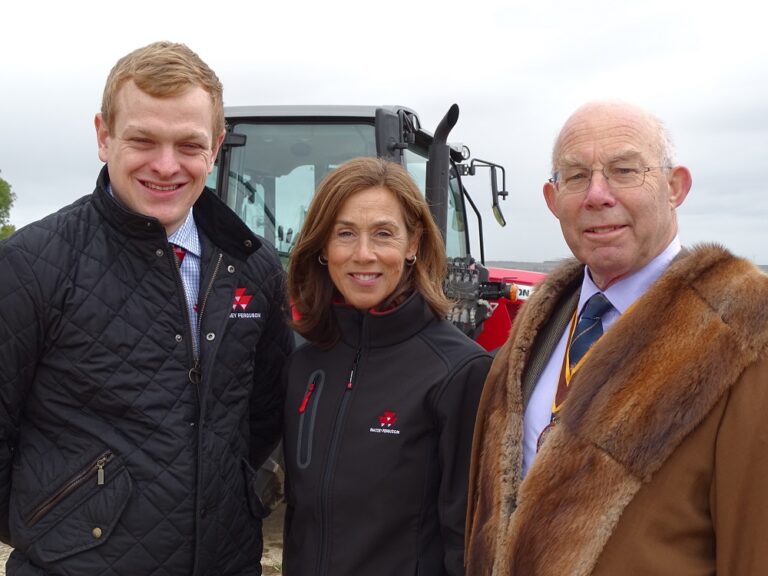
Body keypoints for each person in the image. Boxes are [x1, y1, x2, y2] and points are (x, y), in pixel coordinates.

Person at [0, 41, 293, 575]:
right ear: (103, 136)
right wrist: (56, 527)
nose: (165, 165)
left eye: (188, 144)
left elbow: (263, 417)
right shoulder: (29, 267)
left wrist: (236, 503)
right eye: (142, 140)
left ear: (217, 147)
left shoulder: (254, 268)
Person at [465, 101, 768, 575]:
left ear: (675, 187)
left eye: (625, 170)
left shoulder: (743, 339)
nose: (598, 195)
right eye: (576, 176)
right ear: (552, 197)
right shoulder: (534, 330)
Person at [282, 157, 492, 575]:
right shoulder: (304, 364)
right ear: (323, 245)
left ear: (412, 244)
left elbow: (467, 543)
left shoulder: (460, 372)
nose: (364, 254)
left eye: (383, 234)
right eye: (345, 233)